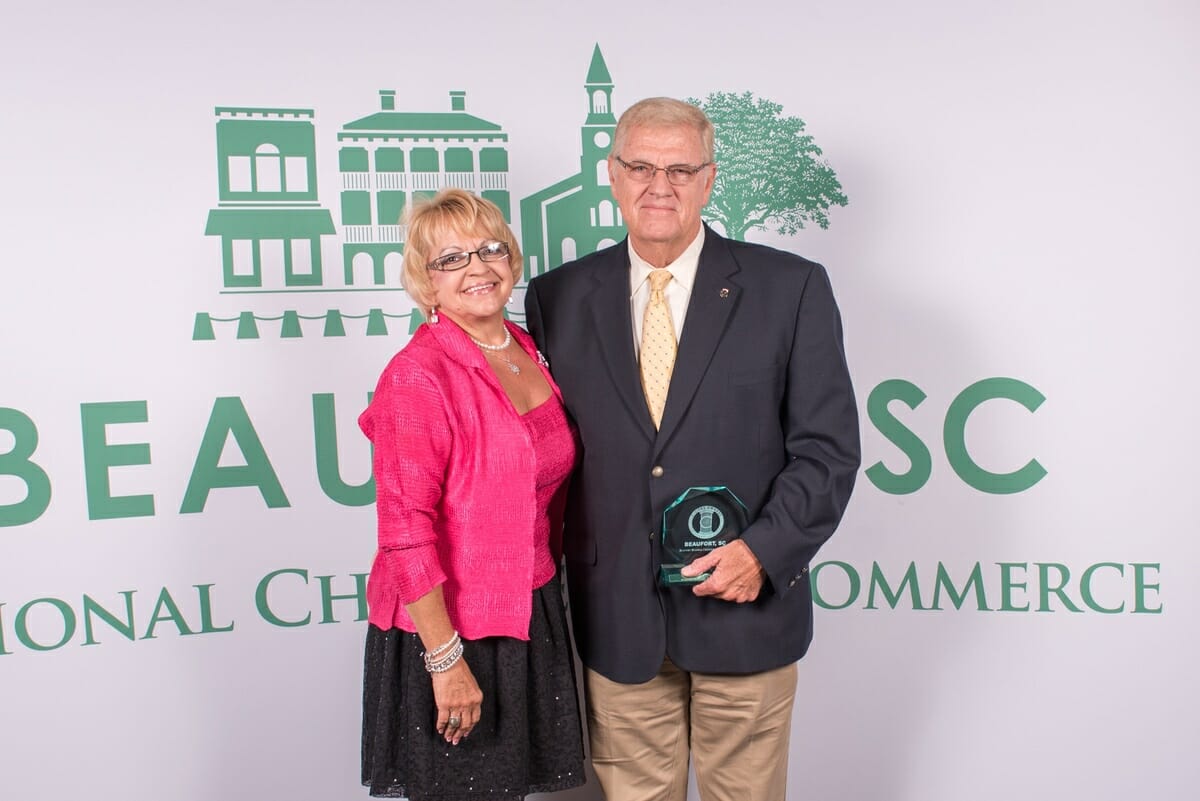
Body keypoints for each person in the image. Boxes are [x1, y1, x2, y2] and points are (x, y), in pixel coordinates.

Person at [525, 97, 861, 801]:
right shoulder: (556, 298)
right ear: (612, 174)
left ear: (709, 180)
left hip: (745, 608)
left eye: (680, 170)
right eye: (641, 167)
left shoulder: (790, 288)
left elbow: (827, 450)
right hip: (617, 618)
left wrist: (763, 552)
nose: (660, 186)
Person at [358, 188, 585, 800]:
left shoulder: (524, 345)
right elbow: (404, 532)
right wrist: (445, 661)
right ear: (424, 282)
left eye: (490, 249)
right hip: (452, 629)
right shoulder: (417, 375)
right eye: (451, 259)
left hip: (528, 605)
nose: (478, 267)